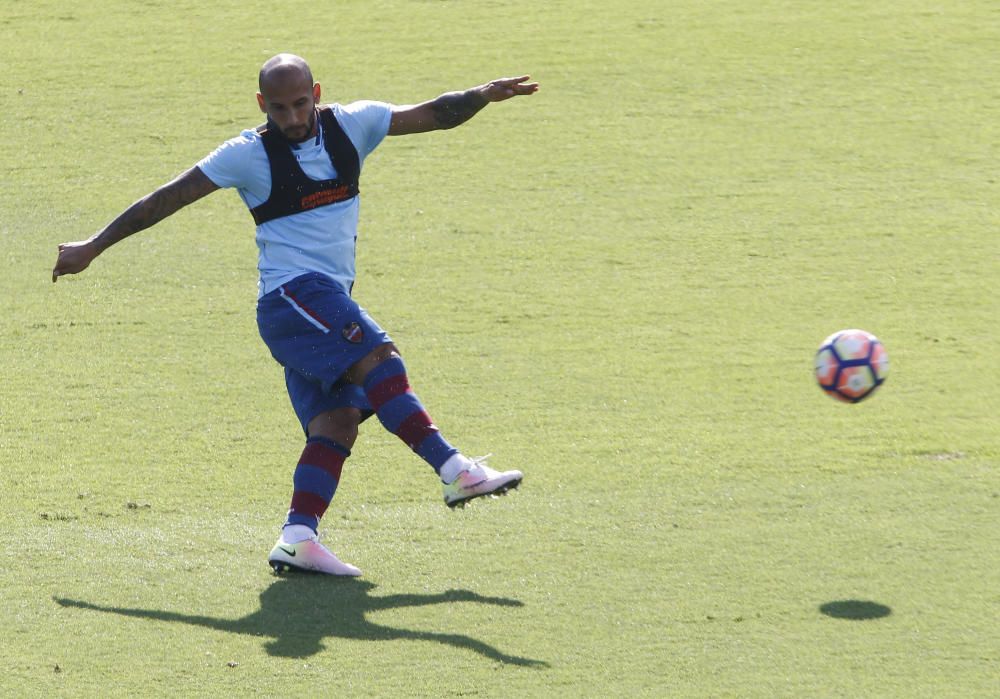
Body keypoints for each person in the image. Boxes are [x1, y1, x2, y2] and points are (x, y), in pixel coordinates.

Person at [52, 53, 539, 577]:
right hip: (292, 300)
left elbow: (433, 114)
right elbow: (164, 200)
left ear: (317, 93)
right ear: (262, 104)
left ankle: (297, 538)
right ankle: (455, 470)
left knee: (338, 422)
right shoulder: (247, 155)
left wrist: (481, 96)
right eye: (278, 107)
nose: (290, 117)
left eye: (300, 103)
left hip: (317, 307)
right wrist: (93, 246)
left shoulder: (353, 126)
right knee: (380, 358)